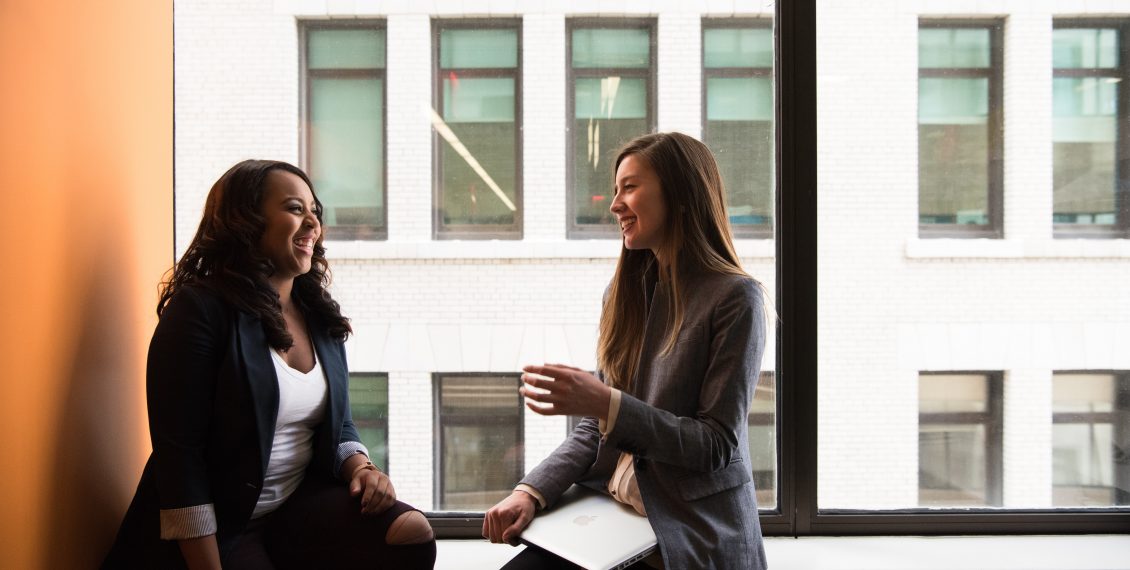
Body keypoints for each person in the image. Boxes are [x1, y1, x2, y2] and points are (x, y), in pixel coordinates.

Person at [103, 160, 436, 569]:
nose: (313, 222)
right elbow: (180, 459)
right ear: (245, 221)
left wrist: (362, 467)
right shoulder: (199, 311)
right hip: (217, 526)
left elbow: (339, 422)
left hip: (293, 509)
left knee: (410, 535)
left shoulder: (318, 314)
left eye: (315, 211)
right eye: (296, 209)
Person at [483, 132, 770, 569]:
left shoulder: (735, 298)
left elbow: (715, 445)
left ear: (680, 193)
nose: (615, 204)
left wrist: (606, 402)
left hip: (687, 529)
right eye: (616, 190)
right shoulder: (624, 294)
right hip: (611, 520)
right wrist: (531, 491)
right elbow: (596, 428)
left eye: (630, 187)